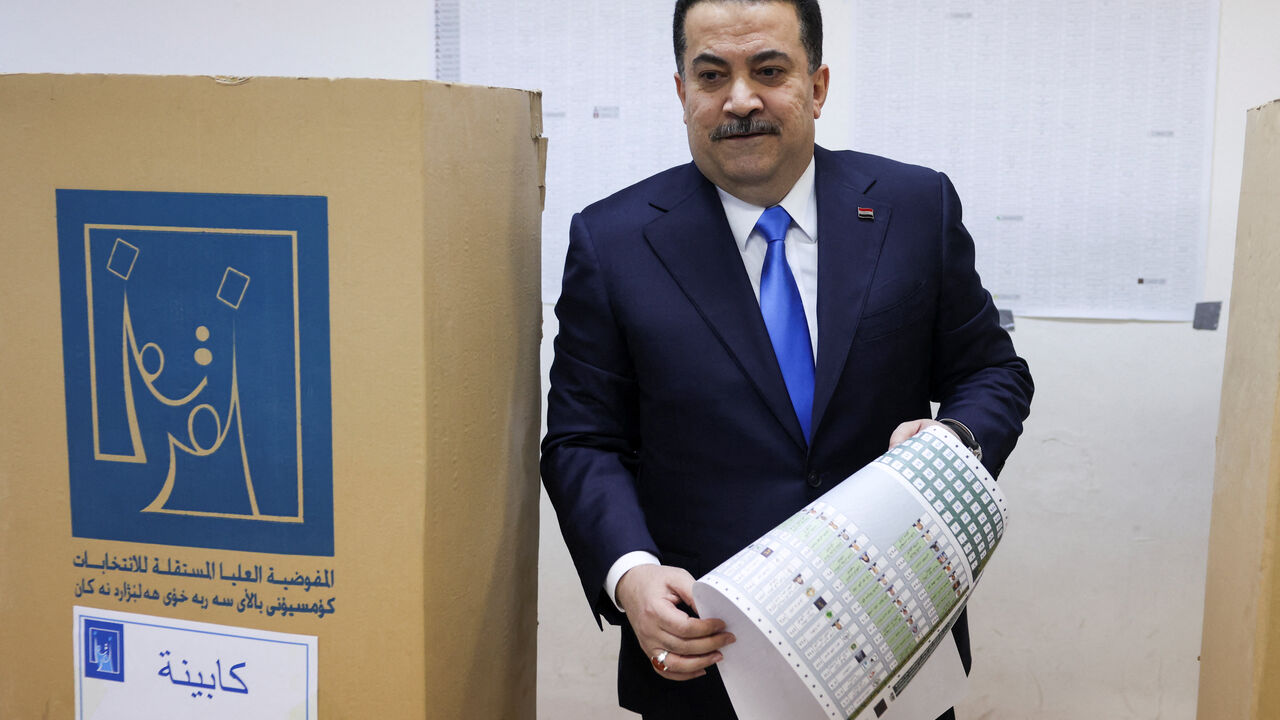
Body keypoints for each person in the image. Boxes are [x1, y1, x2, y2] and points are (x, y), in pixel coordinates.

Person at [540, 1, 1034, 718]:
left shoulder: (914, 207)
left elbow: (990, 372)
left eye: (768, 70)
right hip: (706, 661)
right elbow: (584, 441)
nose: (740, 99)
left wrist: (952, 446)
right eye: (712, 75)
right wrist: (631, 575)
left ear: (817, 86)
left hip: (894, 646)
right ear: (683, 93)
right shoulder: (612, 244)